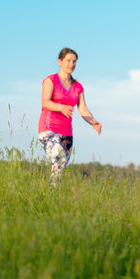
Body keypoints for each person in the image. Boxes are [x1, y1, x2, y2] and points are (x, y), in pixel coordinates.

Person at [38, 47, 102, 182]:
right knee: (59, 158)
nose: (71, 64)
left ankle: (53, 196)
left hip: (67, 134)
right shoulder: (51, 80)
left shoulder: (78, 87)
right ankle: (50, 195)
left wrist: (94, 122)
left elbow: (83, 109)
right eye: (68, 61)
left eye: (74, 61)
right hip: (49, 129)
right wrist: (61, 107)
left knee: (60, 169)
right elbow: (45, 102)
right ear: (59, 62)